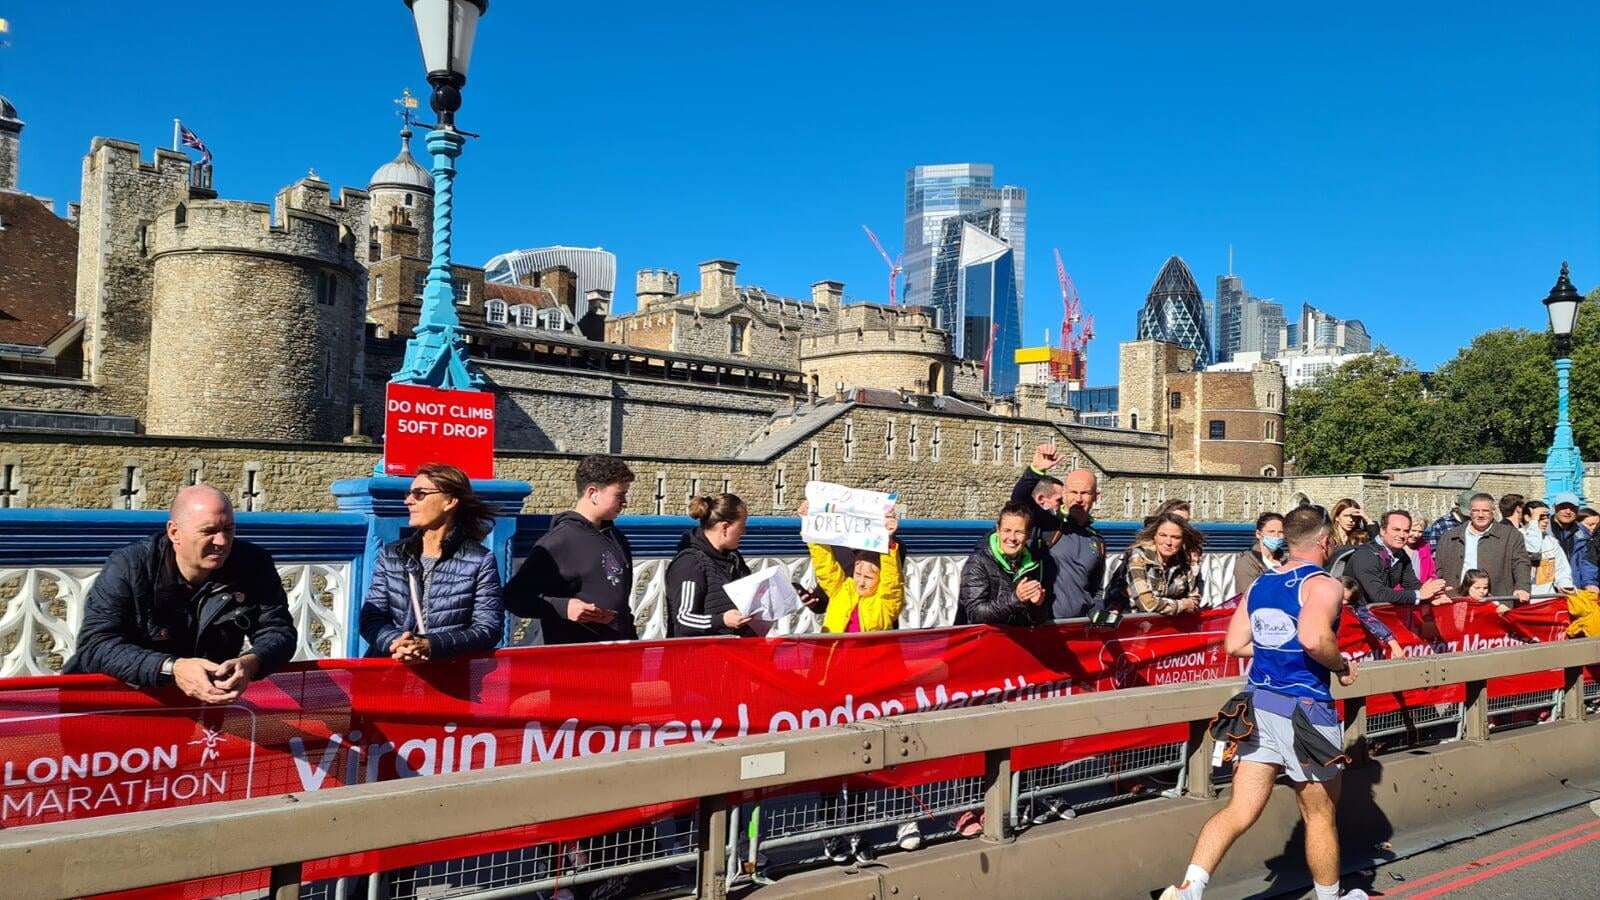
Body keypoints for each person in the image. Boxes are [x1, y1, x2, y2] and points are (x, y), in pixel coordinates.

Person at [1160, 505, 1363, 900]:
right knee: (1319, 814)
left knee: (1240, 809)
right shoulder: (1324, 585)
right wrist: (1341, 665)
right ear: (1324, 540)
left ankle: (1189, 888)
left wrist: (1276, 645)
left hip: (1258, 705)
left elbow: (1234, 644)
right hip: (1306, 709)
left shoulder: (1261, 584)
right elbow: (1313, 639)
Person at [65, 485, 296, 703]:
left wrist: (252, 662)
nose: (222, 542)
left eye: (229, 529)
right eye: (209, 531)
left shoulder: (253, 564)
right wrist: (171, 667)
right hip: (114, 704)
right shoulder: (129, 566)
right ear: (174, 532)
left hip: (201, 703)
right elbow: (95, 646)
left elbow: (278, 631)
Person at [358, 464, 504, 662]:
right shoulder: (392, 555)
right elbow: (371, 618)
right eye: (409, 493)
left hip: (447, 678)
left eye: (419, 494)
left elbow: (488, 629)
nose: (408, 501)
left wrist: (430, 645)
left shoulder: (479, 560)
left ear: (450, 501)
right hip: (393, 673)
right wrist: (397, 643)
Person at [505, 455, 637, 644]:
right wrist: (564, 607)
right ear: (593, 493)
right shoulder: (559, 541)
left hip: (620, 653)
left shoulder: (617, 537)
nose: (625, 502)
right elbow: (513, 597)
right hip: (576, 659)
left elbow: (622, 605)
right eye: (619, 495)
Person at [1010, 444, 1107, 619]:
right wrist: (1036, 470)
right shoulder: (1047, 524)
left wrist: (1097, 612)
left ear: (1096, 496)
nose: (1078, 499)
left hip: (1079, 628)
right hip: (1044, 627)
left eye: (1085, 493)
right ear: (1064, 492)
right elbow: (1019, 501)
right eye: (1073, 492)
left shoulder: (1097, 540)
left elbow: (1096, 589)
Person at [798, 500, 903, 633]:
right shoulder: (841, 589)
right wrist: (810, 524)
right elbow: (824, 565)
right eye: (858, 575)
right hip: (835, 653)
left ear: (880, 579)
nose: (861, 582)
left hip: (868, 654)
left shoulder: (886, 603)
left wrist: (887, 539)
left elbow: (892, 581)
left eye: (868, 577)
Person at [666, 494, 755, 637]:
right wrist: (721, 620)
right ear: (725, 527)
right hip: (697, 654)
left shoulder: (735, 559)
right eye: (742, 526)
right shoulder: (690, 563)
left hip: (733, 651)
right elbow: (683, 619)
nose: (744, 532)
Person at [955, 502, 1049, 627]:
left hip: (1014, 642)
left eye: (1019, 532)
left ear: (1028, 534)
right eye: (1007, 530)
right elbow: (975, 614)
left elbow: (1034, 620)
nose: (1012, 538)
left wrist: (1037, 605)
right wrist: (1016, 598)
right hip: (981, 642)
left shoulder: (1030, 564)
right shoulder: (978, 562)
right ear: (998, 530)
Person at [1435, 492, 1530, 608]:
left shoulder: (1511, 536)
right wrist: (1440, 592)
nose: (1480, 515)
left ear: (1493, 512)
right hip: (1457, 602)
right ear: (1470, 512)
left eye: (1485, 511)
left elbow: (1521, 563)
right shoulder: (1449, 537)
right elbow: (1438, 568)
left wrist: (1522, 587)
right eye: (1476, 511)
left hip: (1496, 602)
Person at [1343, 510, 1447, 607]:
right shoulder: (1366, 556)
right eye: (1396, 530)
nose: (1402, 535)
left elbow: (1411, 584)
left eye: (1406, 531)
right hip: (1354, 616)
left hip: (1375, 615)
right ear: (1382, 531)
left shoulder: (1400, 554)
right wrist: (1418, 595)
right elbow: (1378, 595)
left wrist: (1435, 594)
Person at [1109, 513, 1205, 615]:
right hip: (1136, 623)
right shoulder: (1139, 557)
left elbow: (1194, 600)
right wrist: (1181, 605)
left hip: (1171, 625)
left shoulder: (1185, 560)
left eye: (1175, 537)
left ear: (1183, 540)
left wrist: (1177, 606)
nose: (1168, 542)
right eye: (1163, 535)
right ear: (1154, 536)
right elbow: (1147, 604)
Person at [1339, 576, 1404, 660]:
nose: (1342, 602)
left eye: (1346, 600)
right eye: (1340, 596)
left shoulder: (1355, 610)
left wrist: (1392, 643)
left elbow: (1372, 622)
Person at [1519, 500, 1574, 597]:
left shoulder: (1551, 541)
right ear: (1527, 517)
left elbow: (1561, 568)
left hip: (1548, 599)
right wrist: (1534, 522)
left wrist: (1565, 585)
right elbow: (1533, 547)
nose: (1546, 520)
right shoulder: (1516, 537)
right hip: (1524, 600)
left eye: (1547, 516)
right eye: (1541, 517)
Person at [1549, 493, 1599, 592]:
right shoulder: (1545, 531)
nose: (1568, 511)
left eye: (1572, 508)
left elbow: (1588, 562)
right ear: (1555, 508)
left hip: (1575, 589)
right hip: (1548, 590)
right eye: (1563, 507)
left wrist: (1589, 583)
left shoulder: (1583, 534)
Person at [1233, 512, 1285, 598]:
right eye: (1271, 532)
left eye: (1281, 532)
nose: (1276, 536)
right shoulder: (1247, 562)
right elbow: (1249, 595)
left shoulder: (1286, 561)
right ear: (1259, 534)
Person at [1326, 499, 1368, 575]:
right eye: (1346, 516)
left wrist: (1367, 519)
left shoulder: (1360, 537)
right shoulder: (1328, 538)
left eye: (1354, 517)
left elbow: (1379, 547)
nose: (1351, 520)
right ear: (1337, 517)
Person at [1403, 513, 1438, 583]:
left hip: (1421, 589)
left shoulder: (1425, 547)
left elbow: (1432, 573)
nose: (1416, 535)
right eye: (1413, 530)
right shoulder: (1396, 547)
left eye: (1420, 532)